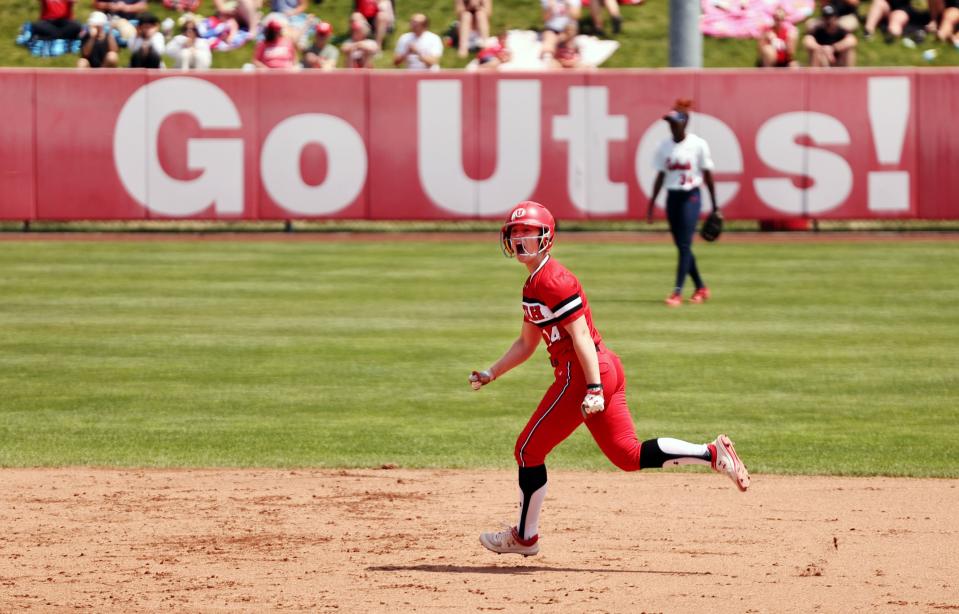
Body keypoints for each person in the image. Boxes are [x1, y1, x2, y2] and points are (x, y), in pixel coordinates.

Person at [470, 201, 749, 557]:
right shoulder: (533, 285)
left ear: (546, 238)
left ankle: (525, 537)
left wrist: (593, 388)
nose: (522, 240)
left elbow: (582, 336)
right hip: (602, 367)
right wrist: (493, 371)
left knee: (528, 449)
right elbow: (527, 343)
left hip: (584, 374)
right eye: (516, 233)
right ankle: (711, 453)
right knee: (627, 455)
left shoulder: (554, 280)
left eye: (529, 233)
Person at [645, 100, 718, 307]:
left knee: (685, 245)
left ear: (685, 123)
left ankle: (677, 291)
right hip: (673, 198)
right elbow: (661, 176)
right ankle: (701, 287)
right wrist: (651, 204)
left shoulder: (698, 144)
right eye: (669, 122)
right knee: (682, 245)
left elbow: (708, 175)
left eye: (675, 122)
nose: (671, 125)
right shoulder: (664, 146)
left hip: (691, 197)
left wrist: (715, 206)